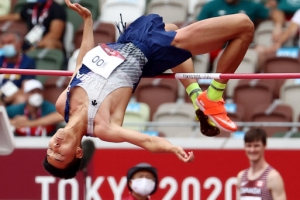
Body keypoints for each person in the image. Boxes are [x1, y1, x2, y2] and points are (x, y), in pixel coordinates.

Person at [43, 0, 254, 179]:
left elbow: (81, 63)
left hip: (127, 39)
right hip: (152, 49)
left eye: (50, 149)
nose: (55, 146)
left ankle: (196, 95)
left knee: (170, 27)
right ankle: (214, 95)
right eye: (60, 154)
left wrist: (88, 21)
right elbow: (147, 141)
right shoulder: (104, 127)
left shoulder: (63, 103)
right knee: (244, 25)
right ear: (79, 152)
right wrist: (172, 148)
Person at [196, 0, 285, 68]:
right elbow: (196, 27)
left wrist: (278, 26)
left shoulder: (250, 5)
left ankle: (255, 82)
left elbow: (276, 12)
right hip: (217, 46)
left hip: (244, 45)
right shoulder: (212, 5)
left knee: (261, 51)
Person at [236, 128, 287, 199]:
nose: (252, 150)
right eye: (249, 146)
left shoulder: (273, 177)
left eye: (256, 146)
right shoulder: (241, 176)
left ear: (264, 146)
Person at [0, 0, 66, 51]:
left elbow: (55, 34)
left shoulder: (57, 9)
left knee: (50, 42)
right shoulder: (30, 6)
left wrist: (35, 46)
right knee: (9, 41)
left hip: (47, 42)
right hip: (30, 40)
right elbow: (17, 16)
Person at [0, 31, 36, 105]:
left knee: (21, 99)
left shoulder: (28, 62)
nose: (6, 46)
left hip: (14, 97)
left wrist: (9, 98)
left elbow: (26, 86)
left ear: (19, 44)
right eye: (3, 43)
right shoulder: (1, 59)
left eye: (10, 43)